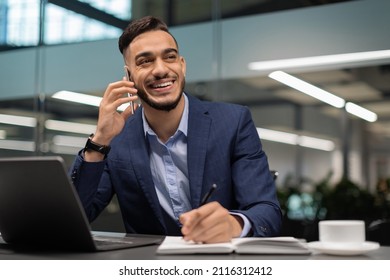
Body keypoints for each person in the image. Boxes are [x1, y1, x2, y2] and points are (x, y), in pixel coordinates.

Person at [70, 16, 282, 243]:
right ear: (129, 76)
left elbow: (266, 211)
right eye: (145, 61)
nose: (160, 70)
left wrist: (234, 224)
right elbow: (75, 217)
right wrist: (100, 141)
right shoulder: (117, 138)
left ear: (182, 65)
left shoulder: (233, 122)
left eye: (169, 57)